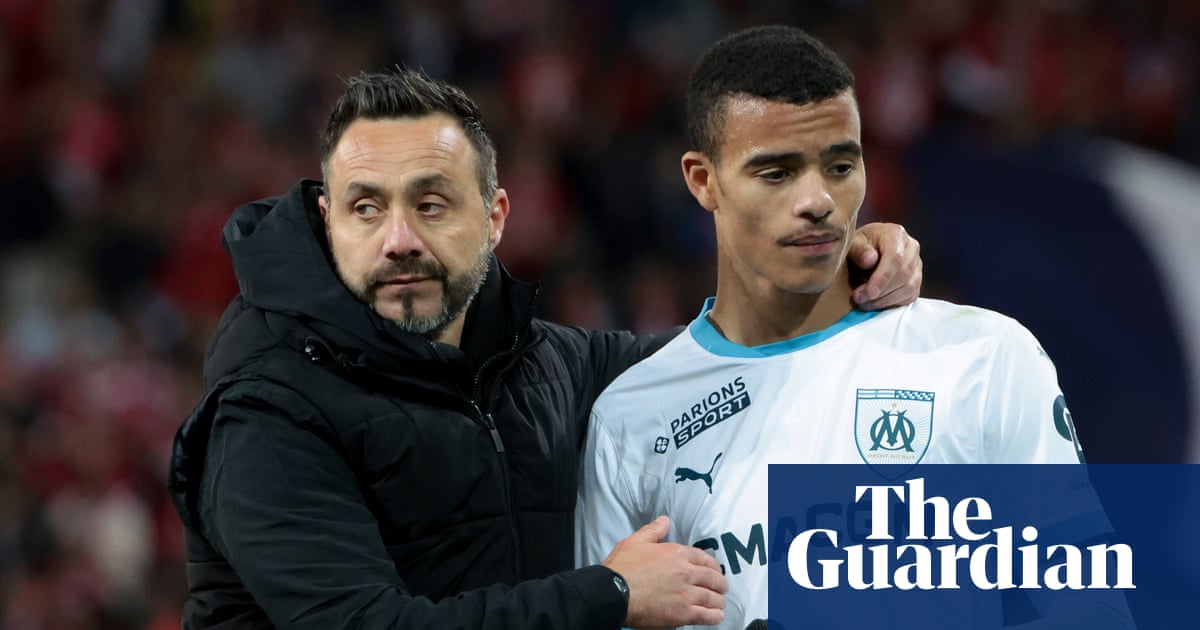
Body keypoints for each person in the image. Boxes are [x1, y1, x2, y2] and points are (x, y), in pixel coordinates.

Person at [166, 67, 924, 629]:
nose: (398, 240)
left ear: (496, 216)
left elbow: (718, 359)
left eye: (431, 204)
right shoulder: (268, 410)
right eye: (367, 209)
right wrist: (612, 595)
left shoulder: (544, 365)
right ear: (329, 220)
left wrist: (841, 272)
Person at [575, 25, 1134, 630]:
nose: (818, 200)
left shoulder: (982, 355)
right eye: (776, 173)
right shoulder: (631, 418)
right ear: (702, 180)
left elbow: (1095, 608)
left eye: (841, 165)